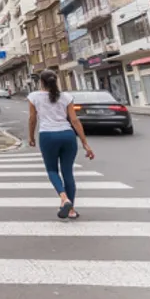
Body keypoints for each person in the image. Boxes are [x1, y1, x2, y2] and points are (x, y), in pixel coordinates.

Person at [28, 69, 95, 219]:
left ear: (41, 82)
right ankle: (71, 210)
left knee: (52, 170)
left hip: (47, 136)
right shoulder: (66, 97)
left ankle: (64, 199)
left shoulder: (34, 97)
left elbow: (32, 119)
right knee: (68, 172)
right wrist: (85, 143)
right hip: (67, 135)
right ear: (56, 81)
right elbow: (75, 121)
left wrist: (31, 137)